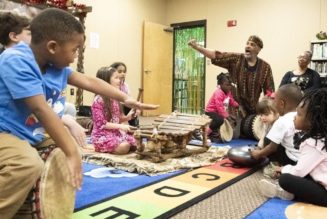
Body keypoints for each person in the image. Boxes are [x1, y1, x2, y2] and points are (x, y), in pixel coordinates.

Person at [0, 8, 157, 218]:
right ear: (53, 47)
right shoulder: (16, 60)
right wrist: (72, 153)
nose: (76, 56)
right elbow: (41, 109)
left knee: (65, 152)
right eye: (75, 50)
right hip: (5, 132)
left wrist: (125, 98)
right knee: (27, 163)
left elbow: (89, 81)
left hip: (30, 133)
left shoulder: (55, 64)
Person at [0, 11, 87, 148]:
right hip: (9, 132)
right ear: (14, 36)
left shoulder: (44, 63)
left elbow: (84, 80)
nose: (35, 38)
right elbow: (39, 107)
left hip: (30, 130)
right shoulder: (14, 60)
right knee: (30, 163)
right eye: (29, 34)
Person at [259, 88, 327, 206]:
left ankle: (285, 192)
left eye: (299, 114)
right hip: (321, 180)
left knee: (286, 179)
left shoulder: (314, 143)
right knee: (299, 175)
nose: (294, 117)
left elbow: (299, 171)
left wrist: (284, 169)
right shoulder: (321, 138)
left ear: (312, 120)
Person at [188, 35, 275, 117]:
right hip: (234, 110)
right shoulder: (236, 59)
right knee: (233, 131)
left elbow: (270, 93)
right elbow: (217, 55)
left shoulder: (265, 68)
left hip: (252, 113)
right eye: (247, 43)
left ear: (258, 49)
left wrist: (267, 113)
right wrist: (197, 47)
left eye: (252, 45)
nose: (248, 46)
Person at [250, 84, 303, 167]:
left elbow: (272, 147)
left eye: (275, 101)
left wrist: (259, 154)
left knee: (268, 140)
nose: (274, 104)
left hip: (291, 161)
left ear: (281, 104)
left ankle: (276, 165)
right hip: (304, 159)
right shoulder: (301, 117)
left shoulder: (281, 121)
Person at [91, 67, 137, 154]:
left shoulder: (115, 99)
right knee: (125, 146)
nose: (119, 80)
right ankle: (106, 148)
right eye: (116, 78)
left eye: (119, 78)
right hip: (102, 135)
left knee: (137, 142)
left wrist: (129, 117)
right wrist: (121, 126)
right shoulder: (98, 100)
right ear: (105, 81)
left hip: (115, 133)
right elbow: (101, 124)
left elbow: (117, 119)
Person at [205, 72, 239, 142]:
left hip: (218, 112)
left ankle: (215, 134)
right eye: (227, 85)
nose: (229, 87)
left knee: (226, 119)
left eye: (230, 85)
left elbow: (231, 101)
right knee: (219, 120)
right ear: (220, 85)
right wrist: (227, 116)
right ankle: (206, 133)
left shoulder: (228, 92)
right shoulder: (218, 93)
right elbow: (219, 107)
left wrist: (237, 105)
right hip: (211, 111)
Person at [110, 62, 140, 127]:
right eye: (120, 71)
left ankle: (133, 126)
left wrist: (136, 107)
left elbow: (130, 98)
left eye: (124, 71)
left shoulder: (125, 85)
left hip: (123, 107)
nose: (123, 74)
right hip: (113, 108)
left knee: (132, 109)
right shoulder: (109, 86)